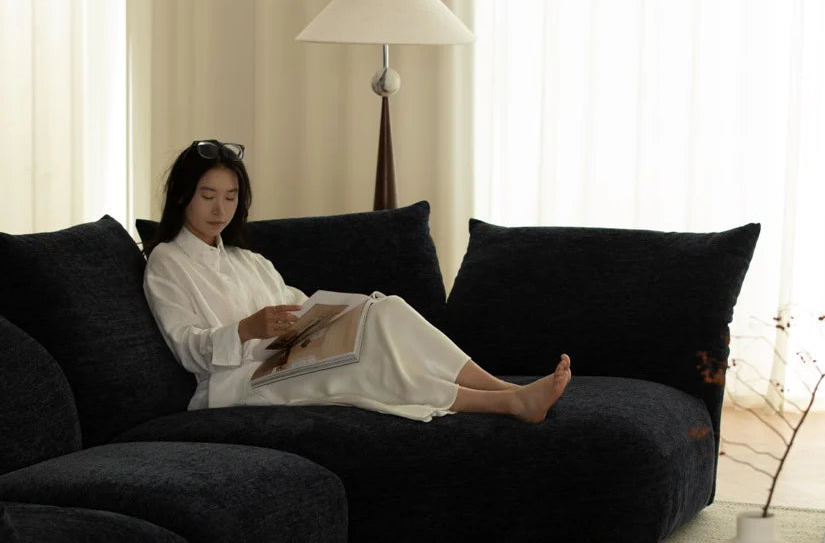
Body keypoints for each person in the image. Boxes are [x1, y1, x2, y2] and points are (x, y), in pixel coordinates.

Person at [143, 139, 572, 422]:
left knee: (387, 309)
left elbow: (296, 304)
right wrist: (247, 329)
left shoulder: (247, 260)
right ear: (182, 196)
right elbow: (186, 347)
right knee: (366, 361)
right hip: (237, 383)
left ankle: (503, 385)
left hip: (287, 356)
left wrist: (336, 317)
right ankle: (508, 403)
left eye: (231, 198)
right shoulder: (166, 262)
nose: (220, 209)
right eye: (208, 196)